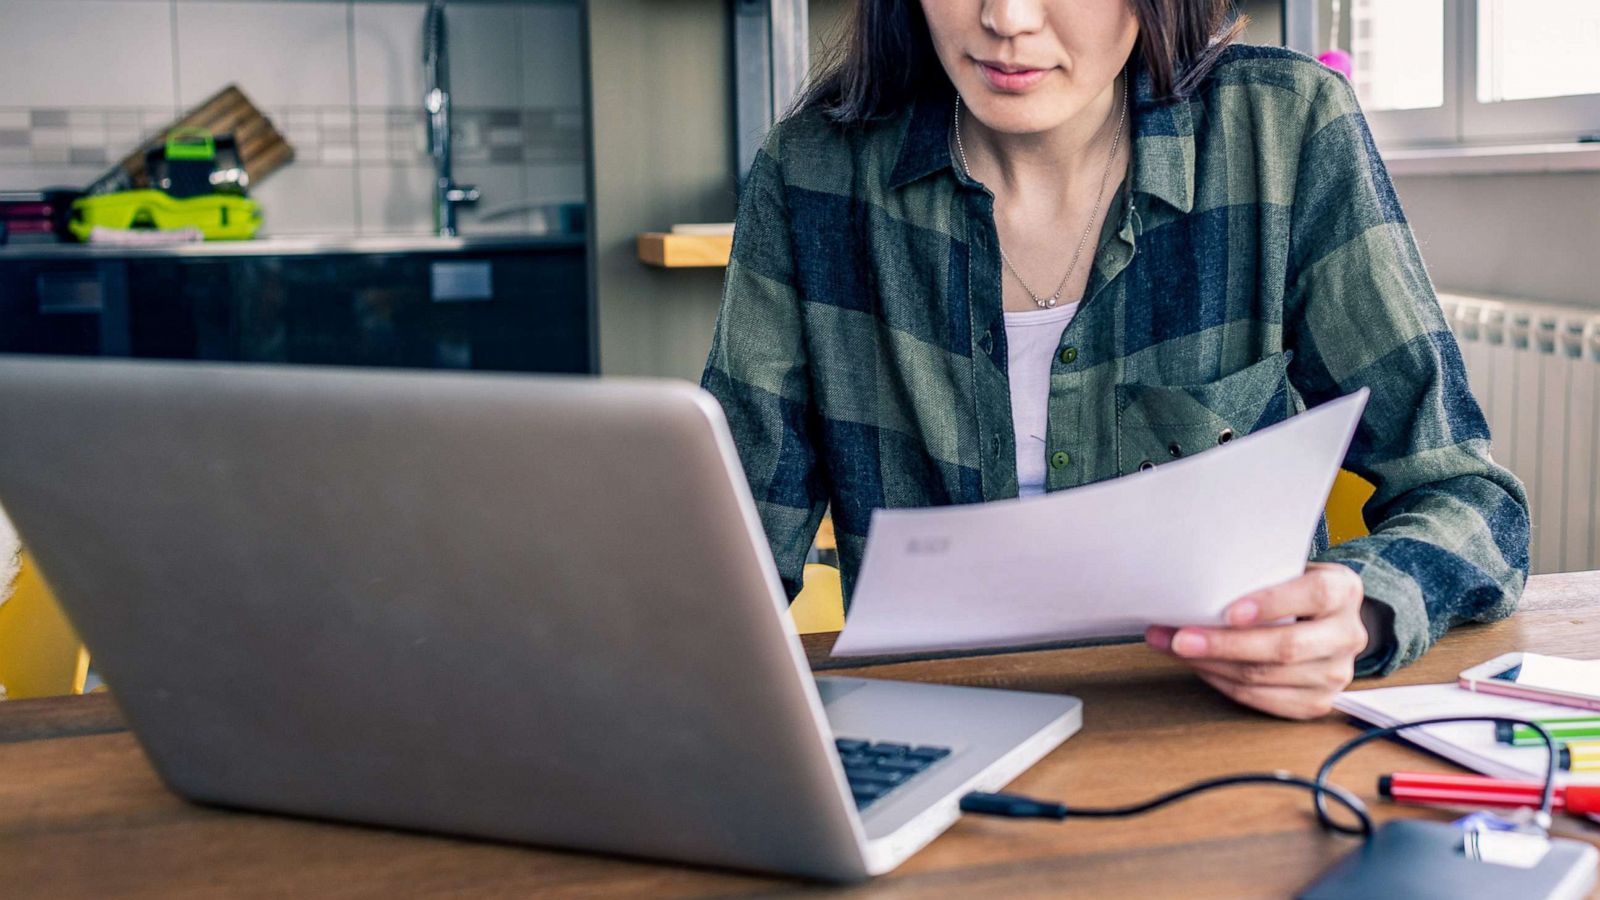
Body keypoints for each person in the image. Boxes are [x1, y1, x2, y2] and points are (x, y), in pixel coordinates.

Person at [701, 0, 1530, 719]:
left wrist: (1364, 611)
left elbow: (1468, 496)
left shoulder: (1284, 129)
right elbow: (728, 558)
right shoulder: (809, 173)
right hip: (931, 734)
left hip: (1213, 724)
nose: (1007, 21)